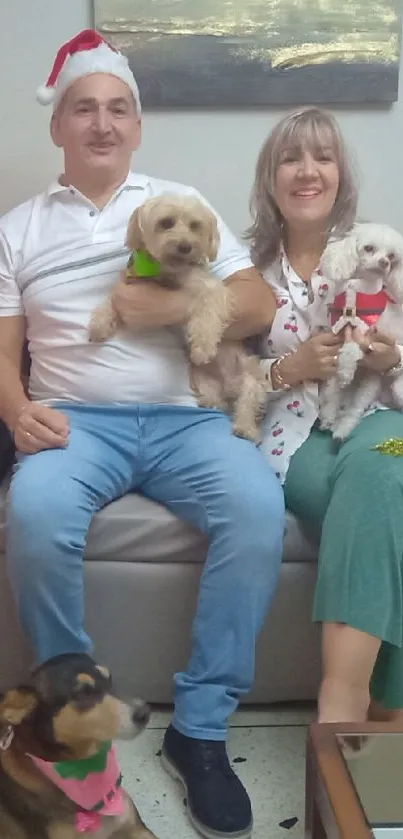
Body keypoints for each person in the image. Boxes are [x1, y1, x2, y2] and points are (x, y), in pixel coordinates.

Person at [0, 28, 284, 839]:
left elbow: (257, 305)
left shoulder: (178, 203)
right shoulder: (18, 228)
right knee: (38, 516)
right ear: (58, 125)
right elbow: (1, 352)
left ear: (136, 125)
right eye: (83, 108)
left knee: (257, 510)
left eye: (118, 109)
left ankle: (199, 730)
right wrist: (18, 410)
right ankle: (74, 726)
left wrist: (164, 307)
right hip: (73, 422)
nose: (101, 123)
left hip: (183, 421)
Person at [247, 105, 403, 724]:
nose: (307, 171)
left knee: (385, 474)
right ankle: (385, 718)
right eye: (291, 157)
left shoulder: (382, 251)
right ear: (271, 176)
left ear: (340, 174)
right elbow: (216, 381)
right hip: (295, 434)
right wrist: (290, 368)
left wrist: (390, 357)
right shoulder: (240, 267)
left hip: (380, 420)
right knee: (380, 491)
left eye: (322, 157)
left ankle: (341, 709)